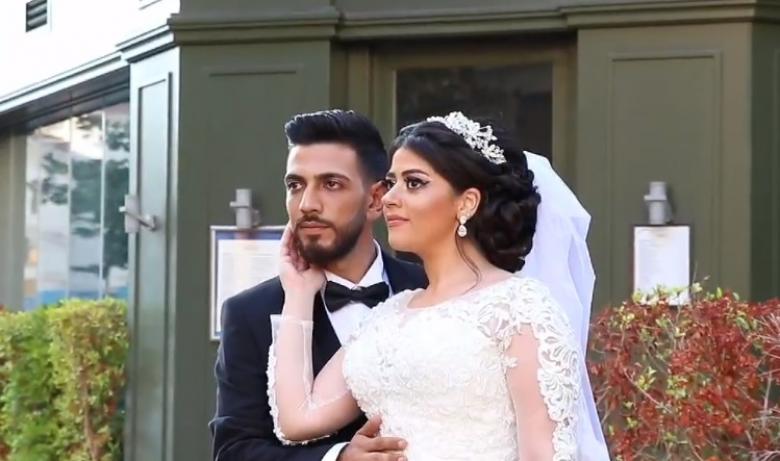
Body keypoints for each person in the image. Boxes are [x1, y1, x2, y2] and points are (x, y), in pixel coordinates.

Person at [268, 112, 611, 460]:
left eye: (414, 183)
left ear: (467, 203)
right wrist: (298, 292)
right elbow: (296, 420)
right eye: (392, 182)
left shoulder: (520, 310)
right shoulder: (388, 316)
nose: (389, 198)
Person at [209, 110, 428, 461]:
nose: (307, 204)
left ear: (375, 200)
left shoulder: (433, 288)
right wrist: (337, 458)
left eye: (331, 184)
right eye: (295, 185)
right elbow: (233, 451)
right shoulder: (249, 313)